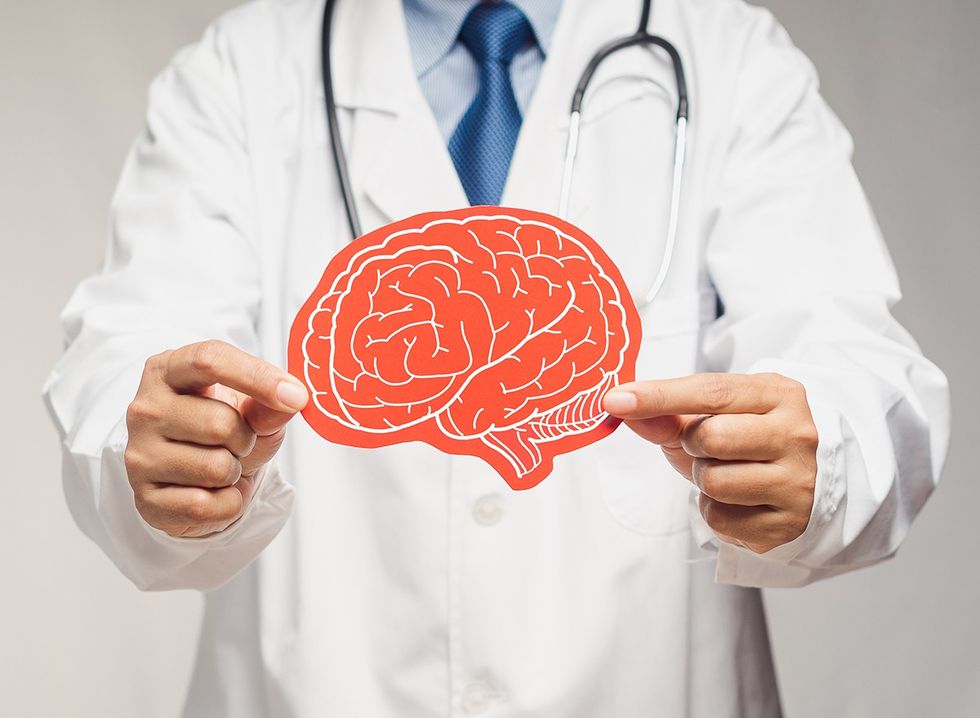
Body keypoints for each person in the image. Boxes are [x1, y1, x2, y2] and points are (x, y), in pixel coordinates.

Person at [43, 0, 950, 715]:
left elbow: (856, 370)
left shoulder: (732, 57)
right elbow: (126, 365)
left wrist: (820, 449)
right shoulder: (239, 74)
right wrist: (161, 446)